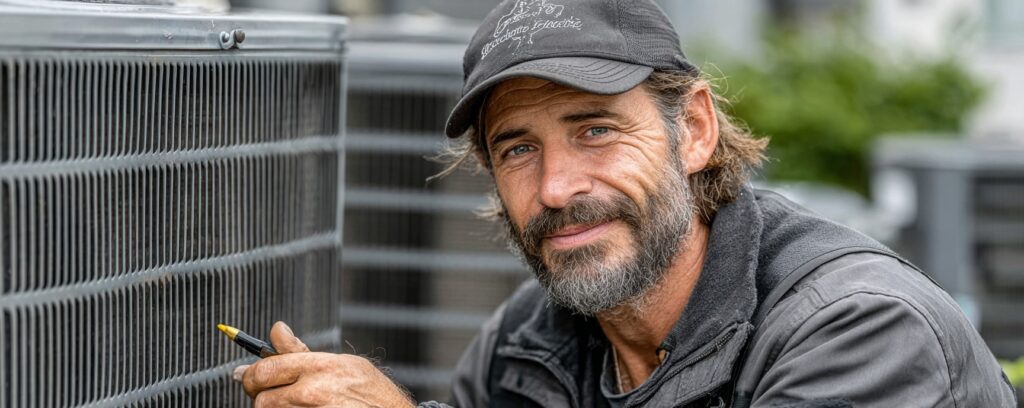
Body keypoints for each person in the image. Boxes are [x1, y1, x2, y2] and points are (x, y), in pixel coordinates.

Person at [233, 0, 1018, 406]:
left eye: (596, 129)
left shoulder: (859, 330)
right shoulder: (527, 349)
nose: (557, 188)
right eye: (517, 148)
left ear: (696, 131)